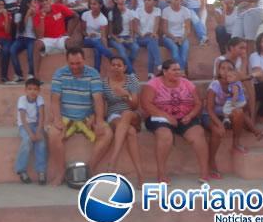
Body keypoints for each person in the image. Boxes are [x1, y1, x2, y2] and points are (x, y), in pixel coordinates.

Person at [47, 48, 113, 186]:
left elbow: (98, 99)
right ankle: (61, 172)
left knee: (107, 133)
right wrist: (58, 120)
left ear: (84, 60)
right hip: (66, 117)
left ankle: (90, 170)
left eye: (78, 63)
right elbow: (54, 99)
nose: (75, 66)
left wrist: (99, 119)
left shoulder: (93, 73)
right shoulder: (59, 73)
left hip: (87, 117)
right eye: (72, 63)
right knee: (53, 134)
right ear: (67, 61)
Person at [141, 59, 209, 184]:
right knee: (164, 135)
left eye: (179, 69)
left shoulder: (187, 83)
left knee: (198, 133)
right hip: (159, 118)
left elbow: (198, 103)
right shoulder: (153, 84)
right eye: (174, 69)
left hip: (185, 117)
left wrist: (190, 115)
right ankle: (161, 174)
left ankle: (204, 172)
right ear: (165, 72)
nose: (178, 72)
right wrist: (166, 116)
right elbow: (146, 104)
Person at [203, 60, 249, 179]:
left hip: (225, 114)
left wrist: (239, 95)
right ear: (218, 71)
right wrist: (219, 124)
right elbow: (209, 108)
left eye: (229, 68)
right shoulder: (215, 85)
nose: (226, 71)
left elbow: (242, 105)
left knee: (239, 112)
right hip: (210, 114)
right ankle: (211, 161)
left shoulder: (236, 84)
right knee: (217, 131)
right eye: (223, 68)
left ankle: (236, 143)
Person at [102, 57, 144, 185]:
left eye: (119, 65)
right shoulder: (104, 83)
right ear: (109, 67)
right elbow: (103, 105)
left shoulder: (132, 79)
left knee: (126, 114)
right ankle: (140, 175)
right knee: (130, 132)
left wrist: (126, 94)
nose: (115, 67)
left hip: (132, 114)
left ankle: (112, 161)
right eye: (113, 65)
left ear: (124, 67)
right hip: (113, 115)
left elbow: (135, 105)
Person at [33, 0, 79, 81]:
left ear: (50, 0)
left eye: (46, 0)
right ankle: (36, 75)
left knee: (72, 43)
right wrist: (42, 16)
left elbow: (75, 16)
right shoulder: (37, 14)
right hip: (47, 40)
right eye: (42, 1)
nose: (45, 2)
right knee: (37, 44)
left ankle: (74, 72)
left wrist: (68, 33)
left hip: (60, 38)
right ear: (39, 3)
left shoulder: (59, 7)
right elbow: (40, 36)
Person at [15, 78, 47, 185]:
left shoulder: (40, 99)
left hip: (37, 125)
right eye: (30, 89)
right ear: (25, 90)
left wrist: (38, 132)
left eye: (35, 89)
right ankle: (21, 170)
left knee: (41, 142)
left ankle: (41, 171)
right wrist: (30, 133)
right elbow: (23, 119)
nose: (32, 91)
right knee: (27, 140)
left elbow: (42, 117)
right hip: (25, 126)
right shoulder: (22, 100)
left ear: (39, 91)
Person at [108, 0, 139, 74]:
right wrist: (117, 39)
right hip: (115, 38)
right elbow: (110, 32)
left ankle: (126, 68)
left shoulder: (130, 12)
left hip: (127, 37)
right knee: (122, 51)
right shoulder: (111, 13)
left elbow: (131, 29)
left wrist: (131, 38)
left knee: (135, 48)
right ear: (115, 0)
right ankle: (131, 73)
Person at [161, 0, 191, 73]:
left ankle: (179, 73)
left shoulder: (186, 11)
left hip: (182, 36)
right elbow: (164, 29)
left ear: (181, 0)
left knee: (184, 55)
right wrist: (174, 38)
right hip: (168, 37)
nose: (174, 1)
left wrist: (182, 38)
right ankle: (181, 72)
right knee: (175, 51)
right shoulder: (166, 11)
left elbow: (188, 29)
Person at [81, 0, 113, 73]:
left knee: (97, 50)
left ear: (100, 5)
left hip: (99, 40)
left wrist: (105, 47)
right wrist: (88, 34)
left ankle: (96, 73)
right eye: (91, 4)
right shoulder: (85, 14)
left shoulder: (103, 19)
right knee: (94, 41)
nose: (92, 6)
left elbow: (103, 37)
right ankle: (110, 56)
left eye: (94, 4)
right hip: (87, 39)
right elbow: (82, 30)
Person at [10, 0, 37, 82]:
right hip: (20, 38)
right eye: (33, 2)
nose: (35, 4)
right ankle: (19, 75)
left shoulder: (35, 13)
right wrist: (27, 15)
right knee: (12, 50)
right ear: (28, 4)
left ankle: (31, 74)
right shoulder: (18, 15)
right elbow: (21, 29)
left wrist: (33, 15)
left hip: (31, 38)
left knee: (30, 55)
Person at [136, 0, 162, 78]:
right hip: (140, 37)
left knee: (152, 43)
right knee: (153, 41)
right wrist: (142, 34)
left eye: (149, 0)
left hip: (151, 37)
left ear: (154, 2)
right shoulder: (138, 10)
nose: (147, 2)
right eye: (145, 0)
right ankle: (158, 64)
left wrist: (153, 33)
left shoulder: (157, 10)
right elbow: (135, 27)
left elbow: (156, 25)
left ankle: (150, 74)